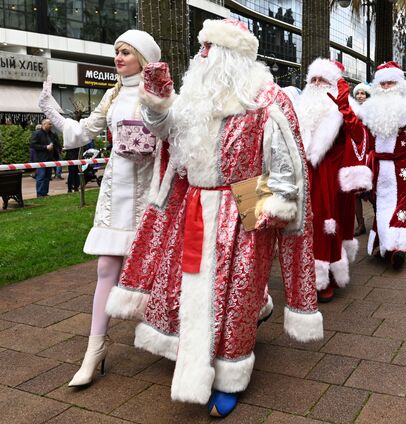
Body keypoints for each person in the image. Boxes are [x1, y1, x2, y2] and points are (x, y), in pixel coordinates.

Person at [105, 19, 322, 417]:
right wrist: (156, 100)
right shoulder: (194, 96)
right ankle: (198, 349)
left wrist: (276, 204)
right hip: (195, 201)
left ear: (233, 55)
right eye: (200, 47)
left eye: (210, 48)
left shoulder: (266, 98)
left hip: (247, 196)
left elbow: (288, 160)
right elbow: (166, 133)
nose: (201, 55)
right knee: (187, 284)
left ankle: (229, 375)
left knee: (238, 289)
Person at [37, 29, 162, 387]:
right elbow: (82, 132)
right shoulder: (112, 94)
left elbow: (173, 134)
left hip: (152, 196)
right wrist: (51, 110)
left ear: (143, 56)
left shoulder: (160, 92)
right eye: (116, 52)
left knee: (158, 270)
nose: (118, 57)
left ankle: (183, 339)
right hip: (115, 193)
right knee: (107, 267)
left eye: (126, 52)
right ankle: (95, 348)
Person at [295, 59, 370, 302]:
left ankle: (325, 277)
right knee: (303, 229)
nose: (316, 84)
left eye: (322, 80)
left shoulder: (345, 108)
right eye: (313, 79)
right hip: (304, 179)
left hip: (330, 182)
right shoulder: (300, 108)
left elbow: (358, 135)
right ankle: (308, 276)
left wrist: (344, 108)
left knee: (326, 227)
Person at [362, 61, 406, 269]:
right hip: (378, 166)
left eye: (391, 83)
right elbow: (364, 139)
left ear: (399, 83)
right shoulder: (370, 108)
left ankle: (398, 248)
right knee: (381, 206)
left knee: (404, 203)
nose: (386, 88)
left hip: (403, 165)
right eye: (383, 84)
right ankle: (383, 243)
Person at [350, 82, 370, 236]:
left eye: (363, 93)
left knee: (372, 190)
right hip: (355, 153)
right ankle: (360, 224)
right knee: (356, 191)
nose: (360, 96)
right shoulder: (352, 112)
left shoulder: (373, 111)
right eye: (358, 93)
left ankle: (379, 222)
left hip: (370, 153)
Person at [30, 119, 62, 197]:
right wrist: (45, 147)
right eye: (49, 124)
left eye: (51, 124)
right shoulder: (37, 133)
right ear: (44, 124)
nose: (51, 125)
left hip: (50, 159)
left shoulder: (52, 134)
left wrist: (60, 149)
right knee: (41, 176)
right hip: (40, 159)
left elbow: (56, 144)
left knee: (47, 176)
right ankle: (40, 193)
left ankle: (45, 193)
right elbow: (33, 145)